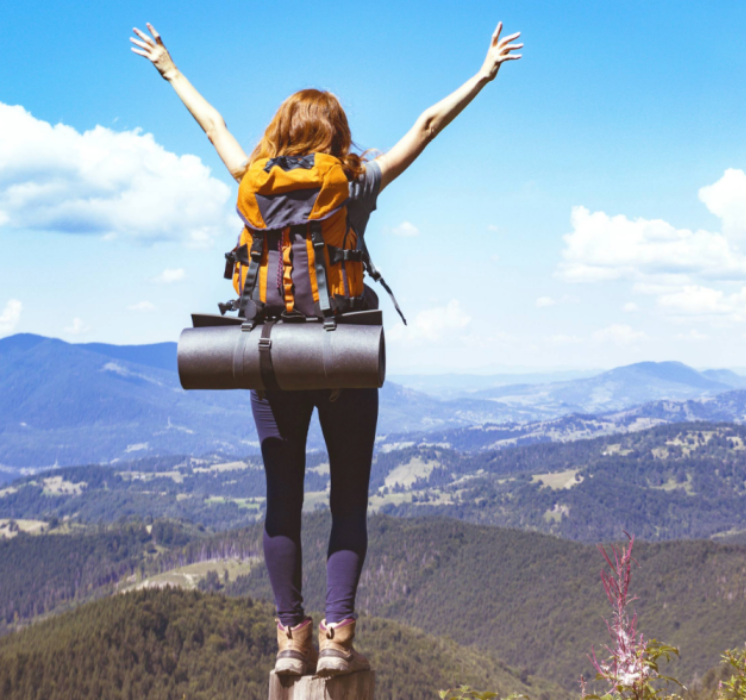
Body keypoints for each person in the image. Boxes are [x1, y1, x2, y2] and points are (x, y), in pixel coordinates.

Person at [130, 21, 522, 677]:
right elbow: (424, 126)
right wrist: (483, 75)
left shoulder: (250, 177)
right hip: (343, 357)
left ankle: (291, 636)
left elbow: (212, 123)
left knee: (281, 498)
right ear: (336, 132)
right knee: (347, 499)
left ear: (281, 130)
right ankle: (337, 637)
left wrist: (168, 68)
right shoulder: (355, 179)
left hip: (270, 358)